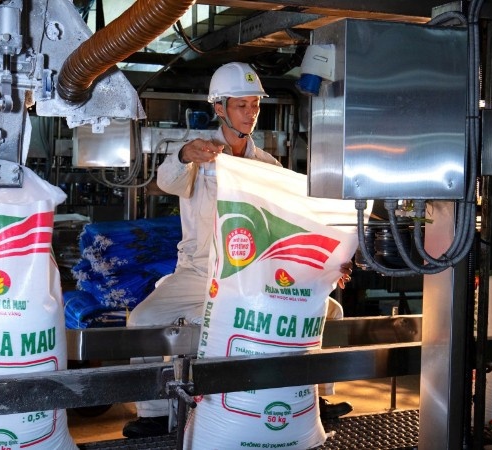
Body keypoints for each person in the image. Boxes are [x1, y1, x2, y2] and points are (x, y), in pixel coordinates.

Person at [122, 62, 352, 439]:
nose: (250, 113)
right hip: (198, 275)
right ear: (219, 107)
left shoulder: (266, 165)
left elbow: (288, 223)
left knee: (330, 309)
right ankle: (153, 414)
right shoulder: (198, 155)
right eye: (241, 105)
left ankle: (316, 398)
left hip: (249, 277)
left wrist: (329, 263)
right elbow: (167, 181)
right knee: (142, 321)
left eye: (254, 105)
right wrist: (184, 155)